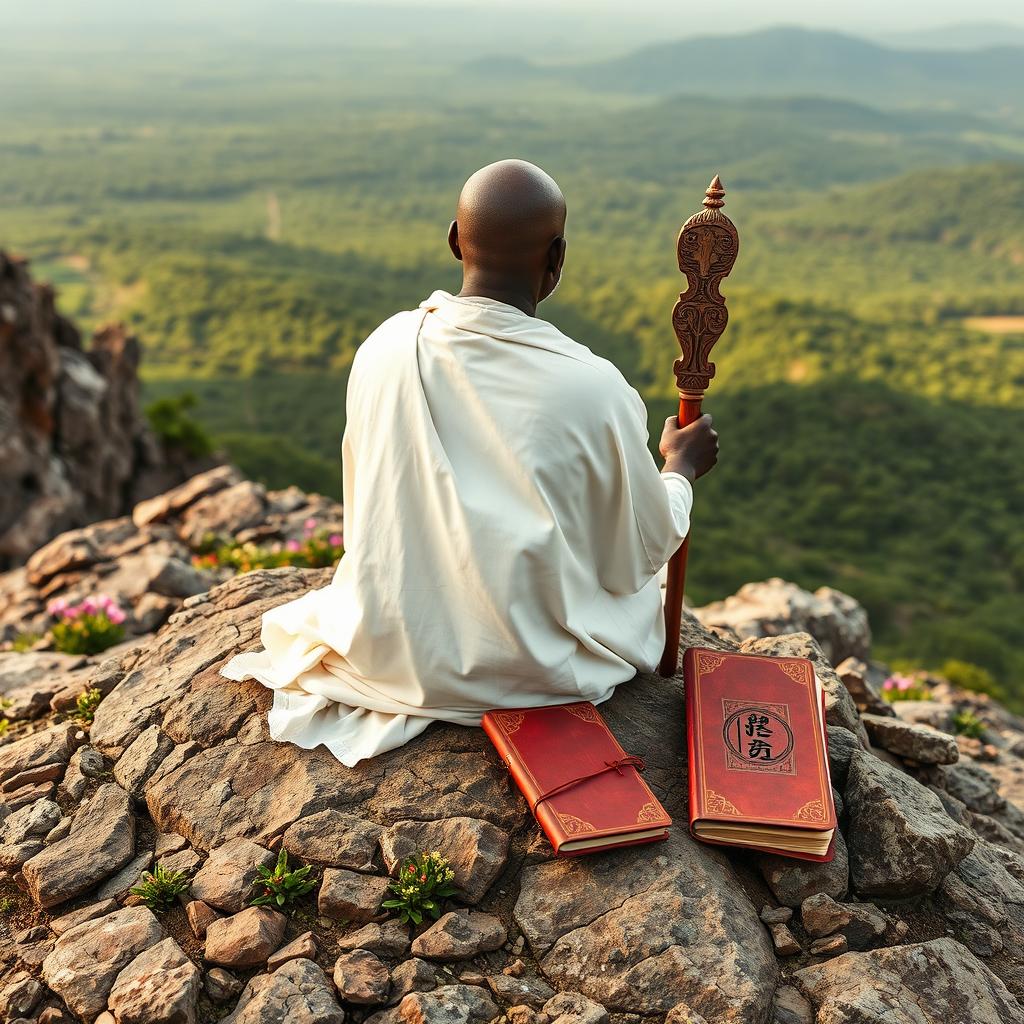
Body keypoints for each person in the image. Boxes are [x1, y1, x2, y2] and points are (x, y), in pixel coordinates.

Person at [222, 159, 719, 766]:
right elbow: (636, 554)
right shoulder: (595, 387)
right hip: (538, 671)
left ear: (455, 239)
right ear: (557, 257)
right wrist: (680, 471)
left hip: (395, 648)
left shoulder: (384, 349)